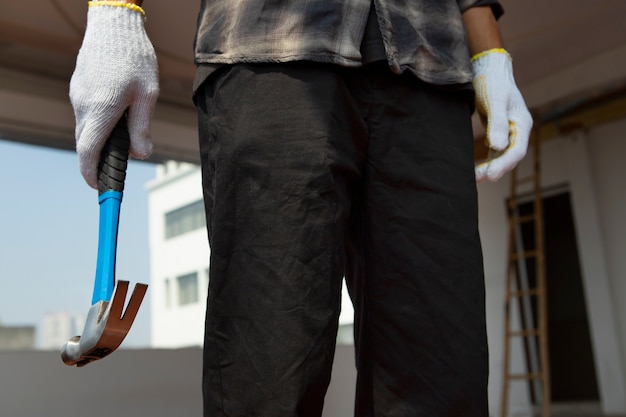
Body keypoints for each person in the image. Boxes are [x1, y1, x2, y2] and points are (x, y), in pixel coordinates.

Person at [69, 0, 532, 416]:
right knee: (268, 374)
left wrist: (489, 51)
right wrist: (116, 11)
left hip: (431, 64)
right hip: (270, 48)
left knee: (443, 374)